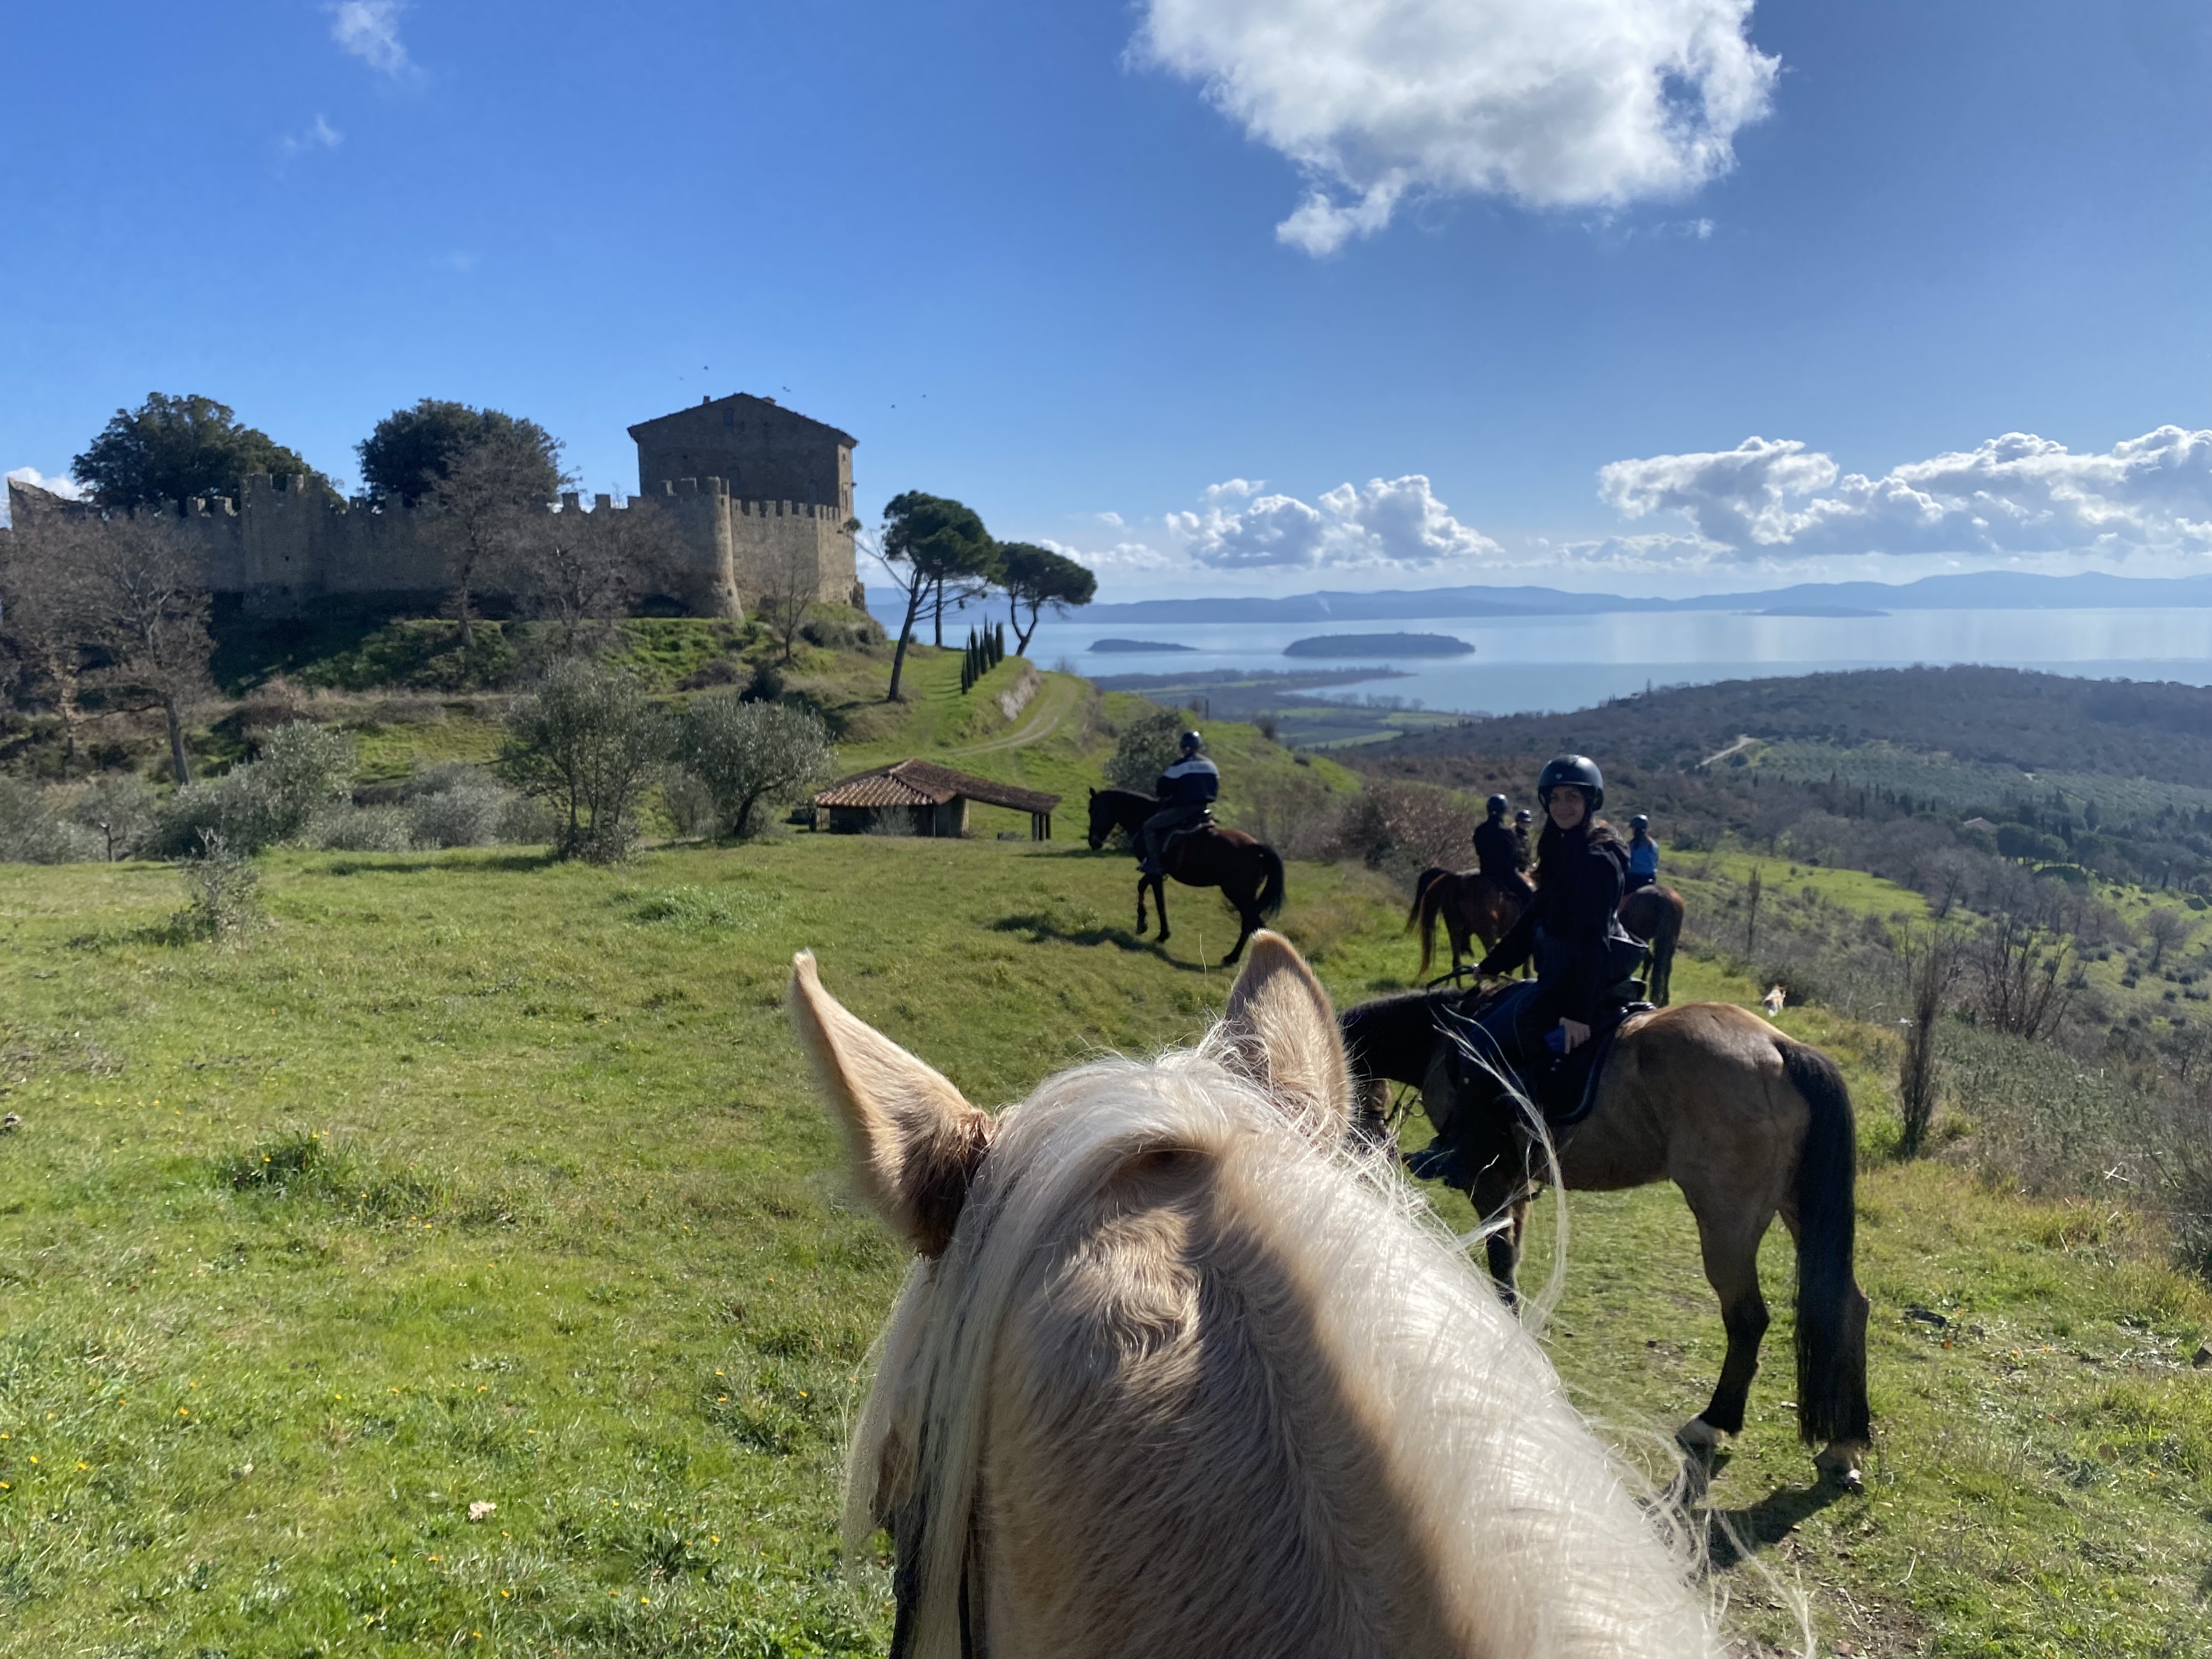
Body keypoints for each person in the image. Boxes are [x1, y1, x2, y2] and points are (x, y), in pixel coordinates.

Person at [1407, 754, 1642, 1186]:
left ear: (1591, 801)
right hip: (1554, 977)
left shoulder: (1598, 857)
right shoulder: (1560, 847)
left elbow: (1593, 942)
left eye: (1574, 797)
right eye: (1556, 797)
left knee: (1479, 1046)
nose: (1563, 805)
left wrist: (1578, 1014)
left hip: (1573, 985)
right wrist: (1492, 964)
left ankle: (1467, 1153)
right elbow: (1535, 917)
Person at [1138, 730, 1219, 877]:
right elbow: (1215, 788)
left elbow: (1162, 787)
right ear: (1198, 746)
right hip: (1203, 810)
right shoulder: (1210, 765)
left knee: (1149, 827)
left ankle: (1155, 864)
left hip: (1183, 810)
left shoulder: (1180, 765)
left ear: (1183, 747)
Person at [1472, 794, 1520, 879]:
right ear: (1504, 810)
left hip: (1485, 873)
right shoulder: (1508, 832)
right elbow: (1515, 855)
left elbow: (1479, 851)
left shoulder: (1480, 830)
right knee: (1529, 892)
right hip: (1507, 876)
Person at [1625, 814, 1660, 893]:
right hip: (1650, 879)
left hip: (1633, 878)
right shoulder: (1653, 844)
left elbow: (1628, 862)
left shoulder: (1631, 845)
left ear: (1635, 829)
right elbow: (1656, 861)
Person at [1512, 808, 1534, 872]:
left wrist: (1531, 863)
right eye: (1523, 822)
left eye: (1527, 823)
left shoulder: (1526, 837)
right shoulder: (1513, 836)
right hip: (1514, 869)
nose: (1525, 825)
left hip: (1523, 869)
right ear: (1518, 822)